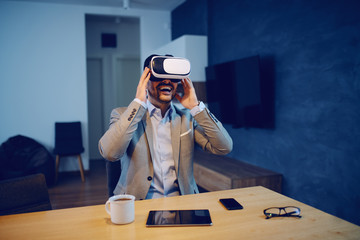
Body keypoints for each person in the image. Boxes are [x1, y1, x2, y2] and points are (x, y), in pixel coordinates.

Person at [99, 54, 233, 200]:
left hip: (183, 204)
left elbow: (224, 147)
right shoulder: (123, 115)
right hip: (138, 206)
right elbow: (110, 153)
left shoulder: (186, 118)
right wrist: (138, 103)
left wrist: (196, 108)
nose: (167, 81)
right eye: (160, 76)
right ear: (146, 78)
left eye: (173, 77)